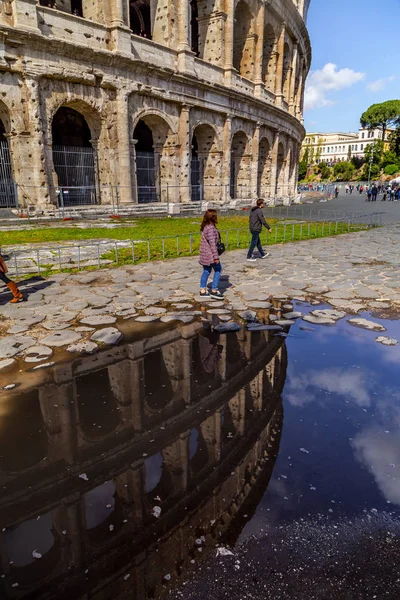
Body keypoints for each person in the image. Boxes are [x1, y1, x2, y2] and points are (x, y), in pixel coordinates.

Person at [199, 209, 223, 300]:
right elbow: (213, 244)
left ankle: (203, 290)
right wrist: (216, 257)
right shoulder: (210, 229)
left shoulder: (206, 226)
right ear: (213, 217)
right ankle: (214, 290)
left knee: (206, 271)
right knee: (218, 270)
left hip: (205, 254)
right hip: (210, 255)